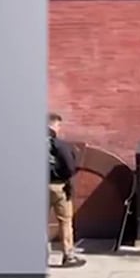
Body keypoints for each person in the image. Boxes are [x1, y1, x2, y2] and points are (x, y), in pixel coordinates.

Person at [48, 113, 86, 267]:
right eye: (58, 125)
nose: (59, 128)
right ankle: (68, 255)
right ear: (53, 125)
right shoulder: (60, 145)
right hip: (58, 186)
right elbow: (71, 167)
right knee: (65, 221)